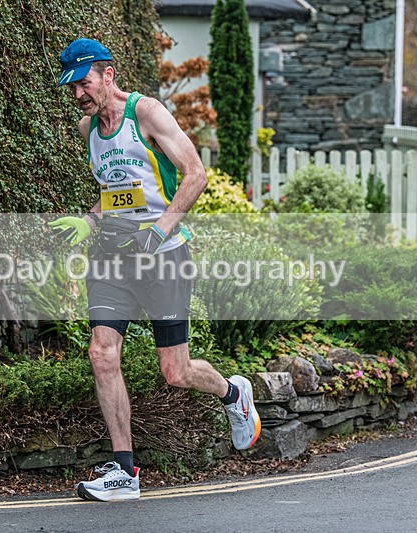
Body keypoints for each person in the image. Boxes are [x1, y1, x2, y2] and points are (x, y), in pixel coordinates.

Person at [47, 38, 260, 502]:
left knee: (175, 371)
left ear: (107, 74)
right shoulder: (88, 129)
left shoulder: (147, 114)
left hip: (163, 256)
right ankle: (125, 472)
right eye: (71, 87)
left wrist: (158, 231)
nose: (78, 95)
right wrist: (90, 219)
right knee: (102, 353)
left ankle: (231, 394)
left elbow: (195, 174)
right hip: (112, 257)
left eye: (83, 83)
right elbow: (120, 191)